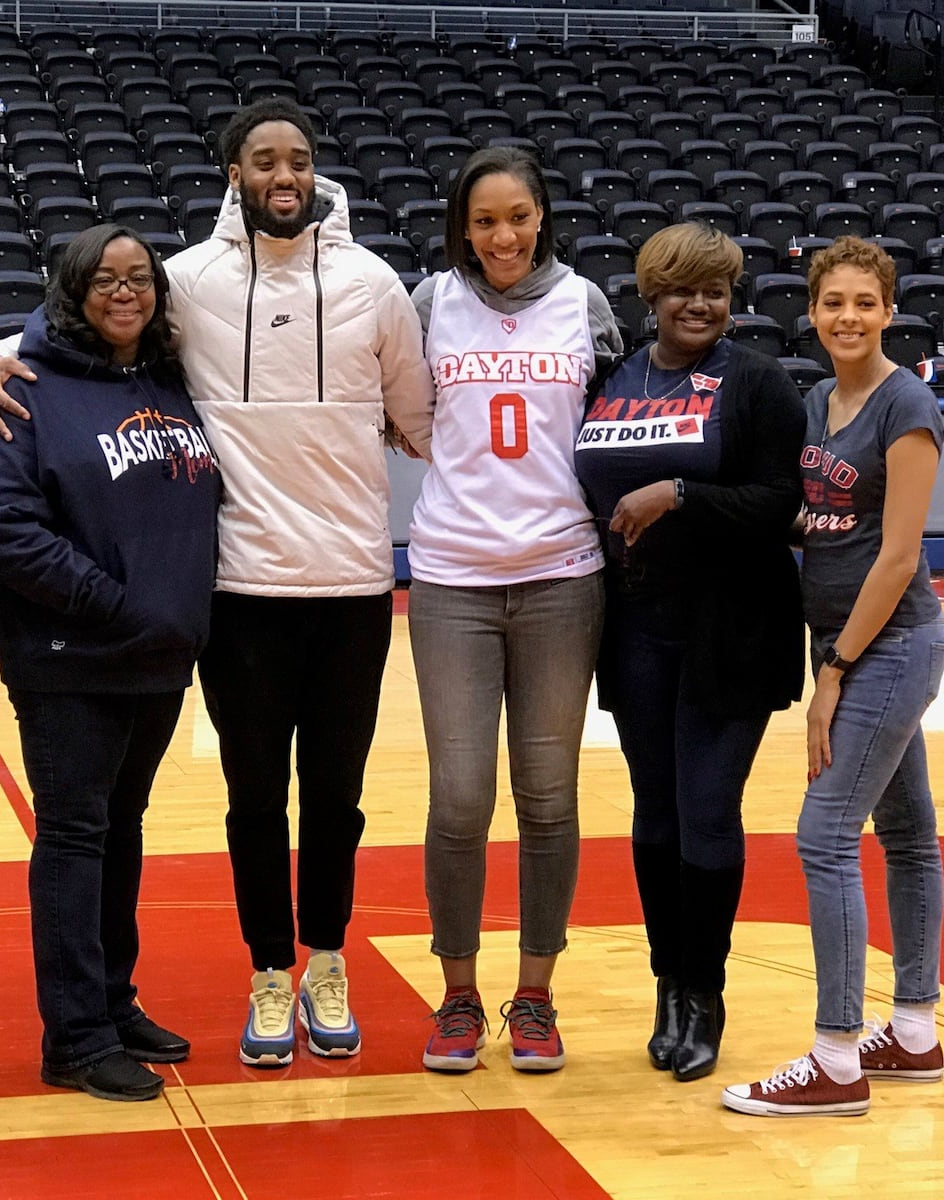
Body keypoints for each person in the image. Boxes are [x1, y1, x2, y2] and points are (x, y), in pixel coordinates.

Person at [0, 98, 434, 1068]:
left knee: (336, 802)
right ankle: (268, 974)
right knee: (251, 802)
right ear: (233, 173)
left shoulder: (375, 284)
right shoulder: (185, 282)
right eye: (263, 159)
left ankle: (325, 960)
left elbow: (422, 423)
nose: (283, 176)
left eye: (299, 159)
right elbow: (75, 320)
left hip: (351, 586)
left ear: (315, 171)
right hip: (238, 595)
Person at [0, 223, 221, 1101]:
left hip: (157, 656)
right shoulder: (26, 387)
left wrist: (175, 616)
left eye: (140, 277)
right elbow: (1, 529)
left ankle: (114, 1004)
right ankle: (73, 1039)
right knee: (76, 838)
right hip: (72, 658)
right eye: (105, 279)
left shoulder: (166, 377)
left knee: (122, 831)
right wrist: (115, 604)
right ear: (72, 291)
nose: (126, 292)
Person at [573, 223, 806, 1083]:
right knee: (655, 812)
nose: (700, 303)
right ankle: (667, 985)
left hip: (732, 625)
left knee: (707, 807)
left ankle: (705, 995)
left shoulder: (756, 383)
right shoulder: (618, 377)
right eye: (682, 290)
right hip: (635, 625)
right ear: (650, 297)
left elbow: (784, 501)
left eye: (715, 289)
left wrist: (679, 494)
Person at [723, 236, 944, 1117]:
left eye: (865, 302)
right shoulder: (821, 398)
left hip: (889, 647)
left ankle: (837, 1057)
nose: (847, 317)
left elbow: (896, 557)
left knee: (823, 838)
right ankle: (917, 1035)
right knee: (908, 836)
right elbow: (819, 520)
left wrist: (834, 671)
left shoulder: (908, 406)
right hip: (858, 646)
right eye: (832, 303)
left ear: (889, 310)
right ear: (811, 312)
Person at [410, 147, 621, 1074]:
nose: (503, 235)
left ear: (542, 218)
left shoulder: (588, 304)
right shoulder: (426, 305)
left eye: (518, 216)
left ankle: (534, 995)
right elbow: (393, 410)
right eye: (485, 219)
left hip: (562, 578)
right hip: (452, 578)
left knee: (549, 797)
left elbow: (619, 427)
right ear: (464, 224)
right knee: (459, 797)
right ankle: (457, 997)